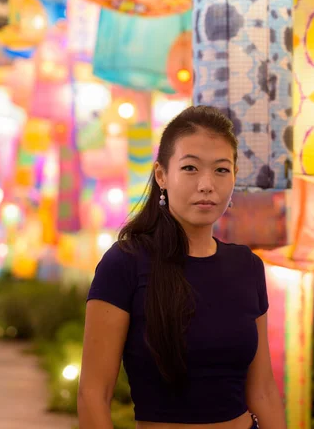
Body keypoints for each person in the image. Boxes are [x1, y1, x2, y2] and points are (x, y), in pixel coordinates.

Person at [78, 105, 287, 429]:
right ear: (162, 175)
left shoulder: (247, 266)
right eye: (190, 168)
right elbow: (93, 394)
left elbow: (263, 393)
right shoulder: (125, 262)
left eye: (221, 170)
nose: (207, 184)